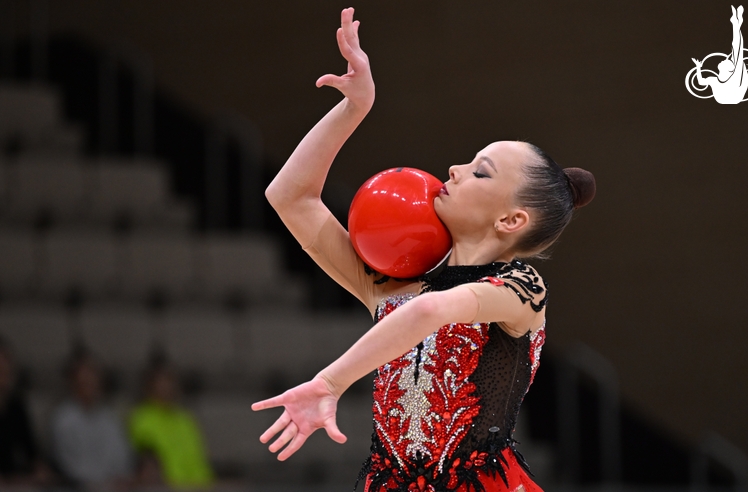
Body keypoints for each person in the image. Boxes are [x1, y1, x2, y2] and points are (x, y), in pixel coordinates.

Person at [252, 8, 595, 492]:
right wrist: (355, 108)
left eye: (480, 171)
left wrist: (329, 382)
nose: (454, 169)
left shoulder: (520, 290)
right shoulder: (391, 284)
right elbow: (290, 197)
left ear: (511, 220)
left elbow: (431, 310)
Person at [50, 346, 134, 487]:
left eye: (93, 375)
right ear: (73, 381)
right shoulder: (63, 419)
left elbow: (122, 458)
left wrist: (118, 479)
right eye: (83, 378)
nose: (89, 382)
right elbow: (69, 467)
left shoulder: (110, 418)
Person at [128, 355, 214, 488]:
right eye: (161, 381)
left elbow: (200, 464)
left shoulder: (186, 420)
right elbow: (147, 467)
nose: (167, 386)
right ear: (150, 384)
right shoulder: (141, 419)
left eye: (170, 380)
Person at [0, 337, 53, 487]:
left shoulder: (16, 407)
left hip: (16, 481)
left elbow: (31, 451)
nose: (4, 369)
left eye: (6, 364)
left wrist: (39, 469)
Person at [692, 5, 748, 104]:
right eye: (728, 60)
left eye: (727, 61)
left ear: (729, 69)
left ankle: (736, 24)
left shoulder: (726, 78)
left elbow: (737, 49)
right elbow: (700, 82)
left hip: (732, 96)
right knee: (737, 52)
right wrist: (698, 67)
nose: (724, 59)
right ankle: (736, 24)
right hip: (731, 97)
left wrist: (698, 68)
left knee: (737, 51)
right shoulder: (715, 79)